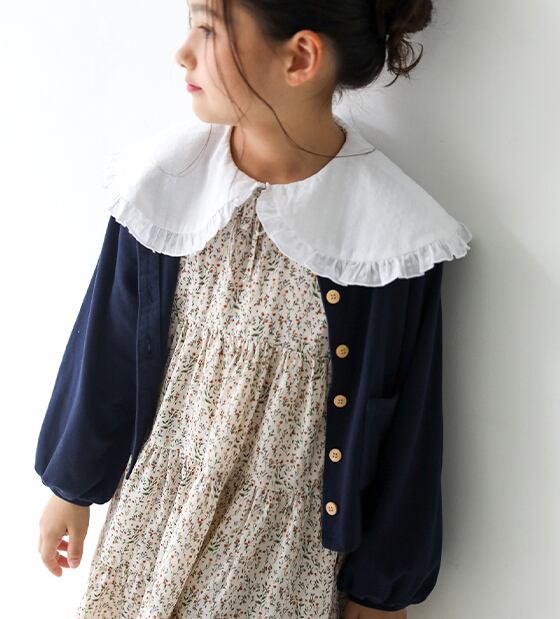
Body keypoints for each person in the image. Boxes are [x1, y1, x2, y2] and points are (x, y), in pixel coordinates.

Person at [35, 1, 473, 617]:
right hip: (153, 521)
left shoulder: (390, 239)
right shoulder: (165, 184)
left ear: (300, 58)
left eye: (207, 30)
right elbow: (107, 345)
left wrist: (380, 592)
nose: (182, 53)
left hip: (279, 559)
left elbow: (409, 430)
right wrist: (72, 487)